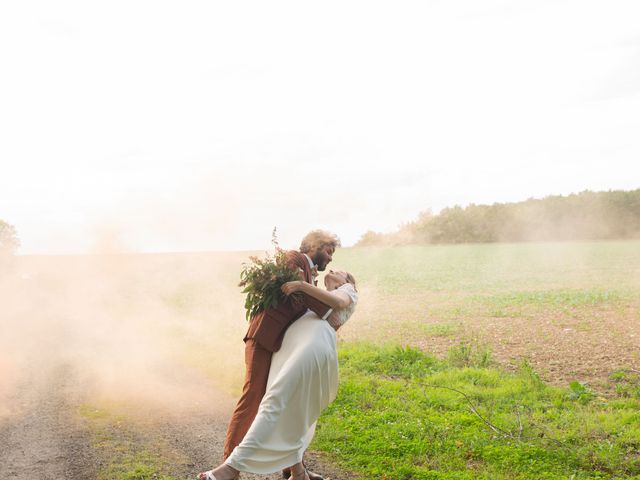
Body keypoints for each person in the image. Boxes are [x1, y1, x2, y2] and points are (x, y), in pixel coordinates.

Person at [198, 269, 358, 480]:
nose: (332, 269)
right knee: (292, 410)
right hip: (293, 349)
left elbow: (338, 303)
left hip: (310, 349)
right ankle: (299, 474)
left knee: (275, 402)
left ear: (347, 281)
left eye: (339, 271)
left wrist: (301, 285)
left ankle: (230, 469)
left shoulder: (348, 291)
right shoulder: (319, 295)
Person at [222, 230, 341, 480]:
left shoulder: (309, 275)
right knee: (253, 397)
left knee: (286, 402)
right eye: (328, 251)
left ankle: (293, 470)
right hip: (265, 337)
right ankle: (229, 465)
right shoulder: (294, 258)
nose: (330, 258)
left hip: (283, 345)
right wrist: (329, 309)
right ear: (314, 246)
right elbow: (298, 295)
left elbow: (306, 298)